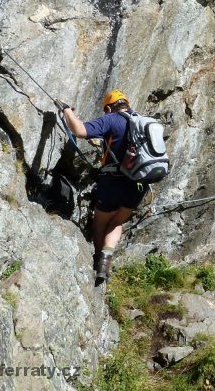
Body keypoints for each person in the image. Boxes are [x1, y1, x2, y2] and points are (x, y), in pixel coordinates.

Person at [56, 90, 148, 283]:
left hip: (113, 182)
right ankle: (107, 259)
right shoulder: (143, 121)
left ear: (108, 107)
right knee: (117, 222)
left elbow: (80, 130)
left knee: (101, 221)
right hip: (138, 185)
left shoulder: (112, 119)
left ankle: (99, 263)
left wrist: (66, 111)